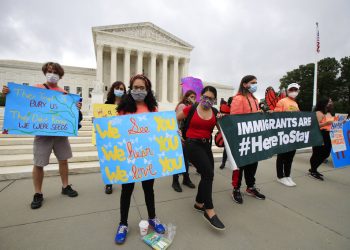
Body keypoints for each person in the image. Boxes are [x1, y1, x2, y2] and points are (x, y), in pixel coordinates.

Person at [2, 62, 82, 209]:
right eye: (50, 71)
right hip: (42, 133)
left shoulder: (63, 93)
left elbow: (69, 113)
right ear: (45, 72)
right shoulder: (37, 89)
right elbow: (22, 103)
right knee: (39, 164)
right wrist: (8, 94)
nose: (52, 74)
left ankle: (65, 186)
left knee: (63, 160)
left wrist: (76, 107)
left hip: (60, 133)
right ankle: (38, 193)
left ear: (60, 75)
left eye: (55, 72)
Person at [114, 74, 165, 244]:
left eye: (142, 88)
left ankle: (152, 218)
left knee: (148, 189)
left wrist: (172, 132)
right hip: (129, 157)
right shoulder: (123, 108)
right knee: (126, 191)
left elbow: (159, 129)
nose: (138, 90)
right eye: (135, 87)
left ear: (147, 89)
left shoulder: (153, 109)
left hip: (147, 157)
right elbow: (115, 131)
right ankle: (123, 224)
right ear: (130, 88)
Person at [177, 86, 225, 230]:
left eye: (210, 98)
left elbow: (222, 129)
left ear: (214, 100)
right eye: (205, 96)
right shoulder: (191, 109)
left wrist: (222, 119)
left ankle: (199, 203)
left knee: (208, 174)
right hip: (192, 145)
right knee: (208, 174)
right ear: (200, 96)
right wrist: (177, 132)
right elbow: (173, 119)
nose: (207, 100)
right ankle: (209, 210)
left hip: (206, 145)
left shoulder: (215, 112)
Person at [230, 75, 265, 204]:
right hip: (242, 138)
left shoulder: (254, 99)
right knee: (240, 165)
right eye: (253, 82)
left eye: (256, 82)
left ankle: (250, 187)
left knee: (253, 164)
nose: (255, 85)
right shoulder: (238, 99)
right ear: (244, 84)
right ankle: (236, 189)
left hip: (254, 138)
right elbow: (235, 119)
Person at [274, 83, 301, 187]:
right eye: (292, 89)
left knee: (290, 156)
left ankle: (288, 175)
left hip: (293, 134)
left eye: (296, 89)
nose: (294, 91)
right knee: (282, 156)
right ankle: (280, 177)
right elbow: (276, 117)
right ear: (288, 90)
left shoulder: (295, 103)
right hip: (283, 134)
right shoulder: (282, 101)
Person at [104, 81, 126, 194]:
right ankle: (109, 183)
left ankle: (124, 179)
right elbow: (102, 118)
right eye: (118, 88)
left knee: (123, 159)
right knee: (110, 160)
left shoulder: (127, 104)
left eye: (122, 89)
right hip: (110, 136)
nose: (120, 90)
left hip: (123, 135)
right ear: (113, 89)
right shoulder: (107, 104)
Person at [171, 90, 196, 192]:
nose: (193, 98)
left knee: (186, 158)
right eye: (191, 96)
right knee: (179, 159)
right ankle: (175, 181)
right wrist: (178, 136)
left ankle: (186, 178)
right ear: (186, 97)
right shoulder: (182, 106)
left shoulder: (194, 107)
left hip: (188, 135)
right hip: (181, 135)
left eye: (194, 97)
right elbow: (177, 121)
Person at [309, 98, 334, 181]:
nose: (331, 103)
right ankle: (313, 170)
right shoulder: (319, 113)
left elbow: (331, 123)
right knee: (318, 153)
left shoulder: (328, 113)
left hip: (327, 134)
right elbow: (315, 126)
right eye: (329, 102)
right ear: (324, 103)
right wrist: (326, 123)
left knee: (326, 153)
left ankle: (314, 169)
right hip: (320, 134)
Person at [219, 96, 232, 169]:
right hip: (227, 131)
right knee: (226, 148)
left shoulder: (236, 109)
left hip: (235, 131)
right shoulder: (225, 108)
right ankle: (223, 162)